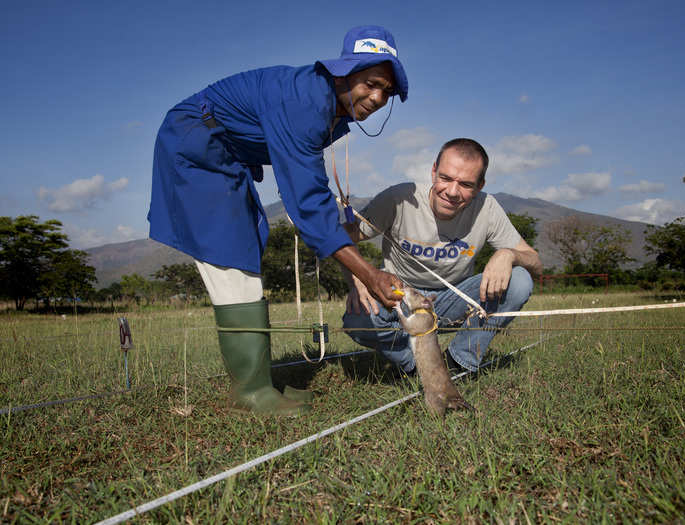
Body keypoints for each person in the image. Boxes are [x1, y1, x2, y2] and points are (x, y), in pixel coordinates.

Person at [147, 26, 408, 415]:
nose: (377, 98)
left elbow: (309, 188)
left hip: (226, 156)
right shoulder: (304, 103)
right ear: (342, 73)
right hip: (195, 147)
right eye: (371, 84)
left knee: (249, 242)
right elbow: (308, 205)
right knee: (229, 252)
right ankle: (250, 393)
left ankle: (260, 380)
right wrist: (368, 274)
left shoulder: (329, 106)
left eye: (387, 92)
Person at [342, 138, 543, 374]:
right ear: (433, 171)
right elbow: (343, 236)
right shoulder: (399, 198)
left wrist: (508, 254)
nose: (452, 192)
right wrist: (357, 277)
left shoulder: (487, 208)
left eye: (466, 184)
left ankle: (457, 362)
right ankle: (415, 365)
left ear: (480, 186)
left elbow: (536, 263)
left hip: (454, 301)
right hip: (400, 298)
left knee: (519, 280)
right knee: (359, 321)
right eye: (445, 178)